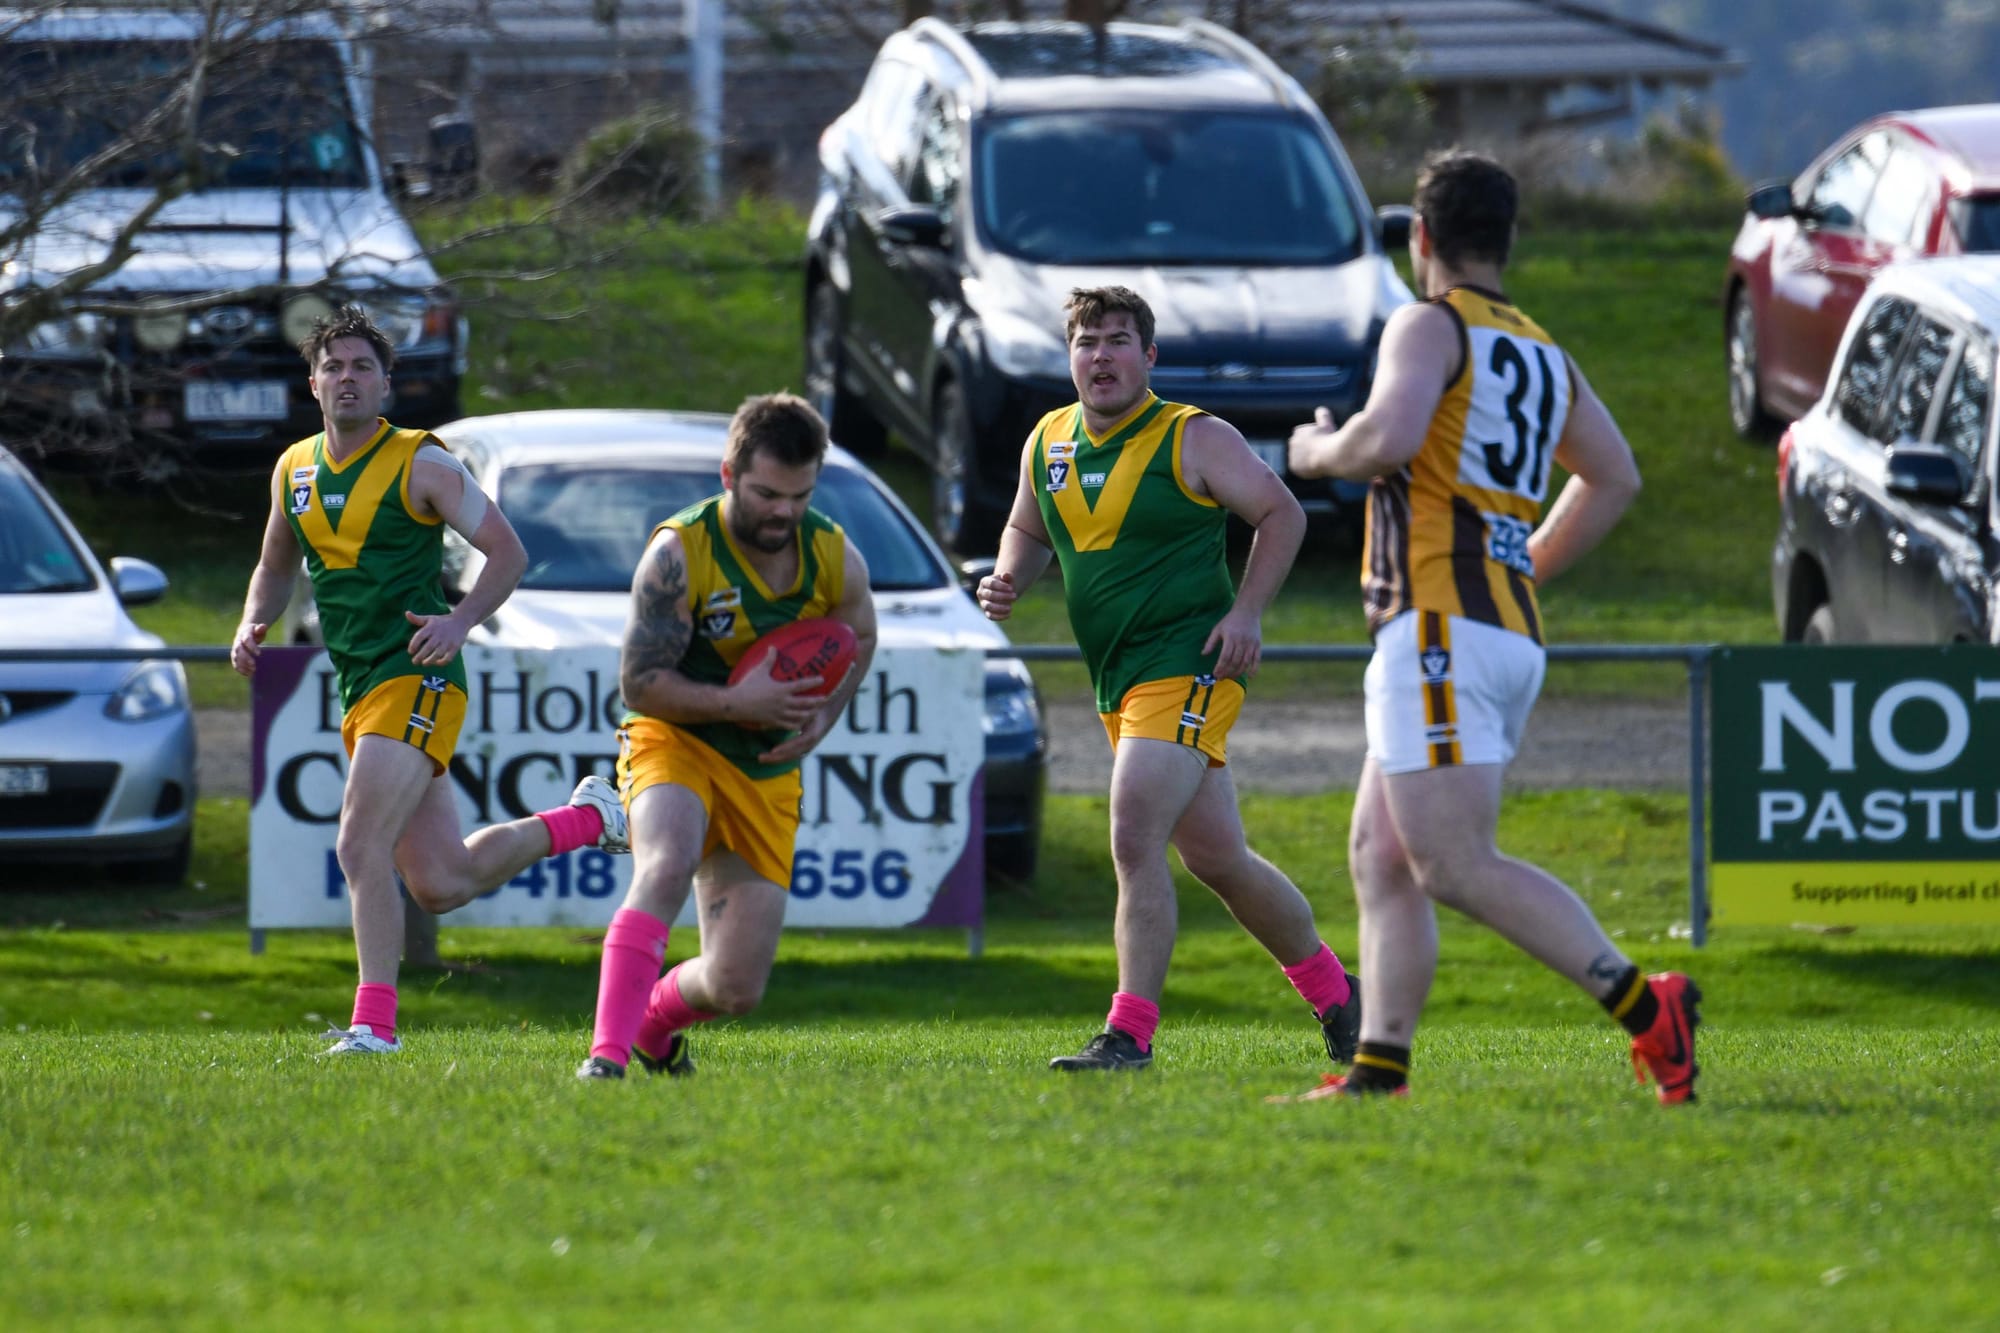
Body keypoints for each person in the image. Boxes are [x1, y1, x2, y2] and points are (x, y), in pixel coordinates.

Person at [1284, 149, 1700, 1103]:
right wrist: (1525, 564)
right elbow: (1614, 475)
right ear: (1506, 241)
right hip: (1491, 630)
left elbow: (1385, 439)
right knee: (1381, 854)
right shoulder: (1544, 349)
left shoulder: (1429, 323)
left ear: (1421, 237)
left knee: (1452, 863)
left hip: (1439, 624)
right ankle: (1379, 1068)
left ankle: (1649, 1007)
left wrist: (1315, 450)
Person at [977, 285, 1360, 1072]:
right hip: (1119, 679)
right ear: (1070, 356)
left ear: (1149, 356)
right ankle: (1341, 996)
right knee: (1219, 859)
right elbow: (1027, 525)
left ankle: (1129, 1033)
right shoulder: (1048, 440)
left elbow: (1283, 512)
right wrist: (1009, 576)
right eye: (1087, 342)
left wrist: (1247, 613)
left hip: (1190, 663)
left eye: (1119, 341)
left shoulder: (1193, 436)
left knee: (1133, 831)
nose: (1101, 356)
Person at [232, 306, 629, 1057]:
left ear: (387, 384)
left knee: (359, 844)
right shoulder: (294, 470)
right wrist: (252, 621)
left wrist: (460, 620)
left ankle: (375, 1028)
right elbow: (274, 566)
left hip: (417, 676)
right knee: (443, 881)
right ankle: (587, 818)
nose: (347, 378)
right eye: (333, 367)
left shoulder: (423, 462)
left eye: (362, 367)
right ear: (313, 384)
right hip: (361, 688)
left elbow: (508, 553)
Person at [576, 393, 877, 1080]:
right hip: (674, 737)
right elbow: (639, 683)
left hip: (764, 763)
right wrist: (735, 701)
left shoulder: (832, 553)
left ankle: (651, 1024)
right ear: (729, 476)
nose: (783, 512)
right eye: (767, 494)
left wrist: (825, 715)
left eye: (799, 496)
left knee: (735, 985)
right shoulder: (679, 553)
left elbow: (860, 634)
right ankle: (606, 1056)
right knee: (666, 863)